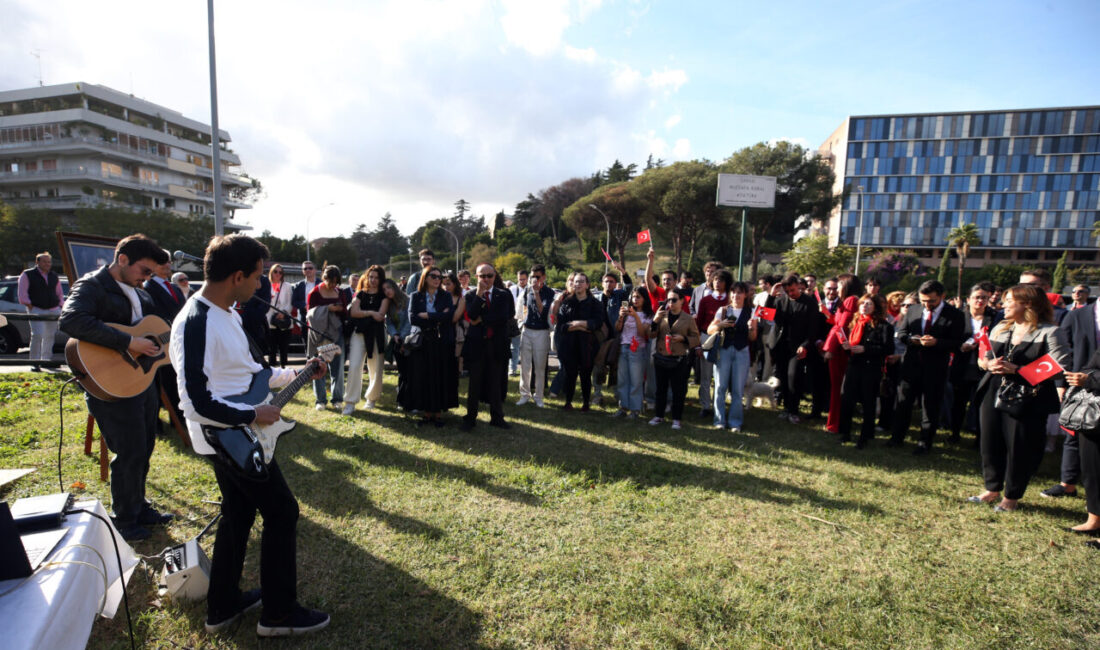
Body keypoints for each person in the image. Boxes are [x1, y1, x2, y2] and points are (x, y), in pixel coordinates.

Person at [170, 233, 330, 636]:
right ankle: (278, 615)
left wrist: (300, 372)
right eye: (258, 276)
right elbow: (194, 401)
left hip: (238, 430)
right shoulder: (196, 321)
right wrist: (252, 413)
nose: (262, 284)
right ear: (237, 275)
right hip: (227, 438)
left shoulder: (228, 312)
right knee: (282, 511)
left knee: (239, 513)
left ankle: (221, 607)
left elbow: (252, 374)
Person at [59, 235, 172, 541]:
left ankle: (139, 506)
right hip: (110, 382)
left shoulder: (141, 291)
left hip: (141, 380)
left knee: (145, 444)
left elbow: (155, 329)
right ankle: (124, 517)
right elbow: (71, 320)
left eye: (151, 273)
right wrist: (129, 341)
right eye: (144, 270)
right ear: (122, 259)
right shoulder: (92, 285)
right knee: (130, 450)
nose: (147, 278)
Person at [969, 284, 1070, 512]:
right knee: (990, 442)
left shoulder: (1050, 332)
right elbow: (982, 359)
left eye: (1009, 300)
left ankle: (1011, 497)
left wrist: (1017, 369)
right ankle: (991, 488)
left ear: (1028, 304)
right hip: (993, 390)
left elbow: (1059, 367)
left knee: (1019, 447)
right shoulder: (1000, 328)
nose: (1003, 304)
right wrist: (988, 364)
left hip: (1027, 397)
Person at [887, 280, 964, 454]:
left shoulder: (955, 315)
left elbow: (957, 343)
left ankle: (925, 442)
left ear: (942, 297)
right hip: (911, 364)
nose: (927, 305)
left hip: (935, 368)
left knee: (930, 406)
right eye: (923, 301)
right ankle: (897, 437)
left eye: (931, 301)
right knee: (903, 403)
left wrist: (937, 342)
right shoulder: (913, 310)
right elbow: (901, 333)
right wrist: (911, 339)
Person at [460, 264, 515, 430]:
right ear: (476, 277)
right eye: (482, 276)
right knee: (474, 383)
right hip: (477, 344)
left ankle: (497, 417)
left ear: (494, 276)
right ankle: (470, 418)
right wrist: (479, 296)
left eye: (489, 276)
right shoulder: (470, 295)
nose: (486, 279)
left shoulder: (504, 295)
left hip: (497, 344)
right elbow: (471, 315)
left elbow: (505, 316)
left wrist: (482, 320)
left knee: (495, 382)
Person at [836, 295, 894, 448]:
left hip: (871, 368)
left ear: (875, 307)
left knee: (868, 403)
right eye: (862, 304)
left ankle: (865, 436)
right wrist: (847, 348)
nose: (864, 306)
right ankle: (845, 433)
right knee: (847, 399)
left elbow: (888, 348)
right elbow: (852, 344)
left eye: (868, 304)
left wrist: (866, 349)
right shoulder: (855, 323)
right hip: (854, 365)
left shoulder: (884, 326)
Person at [405, 266, 458, 425]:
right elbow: (413, 319)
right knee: (425, 376)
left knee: (441, 375)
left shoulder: (446, 295)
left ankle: (439, 412)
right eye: (433, 276)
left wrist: (428, 315)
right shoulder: (416, 296)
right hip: (424, 341)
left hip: (442, 340)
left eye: (439, 277)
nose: (437, 279)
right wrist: (438, 316)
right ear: (425, 278)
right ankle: (427, 412)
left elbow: (449, 316)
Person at [765, 274, 821, 424]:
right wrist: (771, 297)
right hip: (781, 345)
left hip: (798, 347)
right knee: (783, 377)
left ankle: (794, 410)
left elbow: (813, 328)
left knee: (793, 376)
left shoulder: (809, 303)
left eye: (793, 290)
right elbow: (766, 316)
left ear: (799, 286)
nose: (791, 293)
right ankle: (786, 408)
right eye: (788, 290)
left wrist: (805, 345)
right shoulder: (780, 300)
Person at [948, 283, 999, 443]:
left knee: (981, 403)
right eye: (977, 297)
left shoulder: (995, 317)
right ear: (968, 299)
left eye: (984, 297)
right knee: (959, 402)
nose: (980, 301)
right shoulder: (958, 316)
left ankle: (979, 437)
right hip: (962, 364)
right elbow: (949, 338)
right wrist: (959, 346)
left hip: (984, 365)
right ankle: (954, 433)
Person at [144, 250, 186, 427]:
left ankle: (179, 418)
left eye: (169, 262)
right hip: (163, 341)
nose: (167, 266)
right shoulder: (147, 288)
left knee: (178, 380)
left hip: (178, 340)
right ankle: (173, 419)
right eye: (163, 263)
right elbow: (154, 315)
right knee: (166, 382)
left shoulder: (175, 287)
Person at [708, 281, 757, 432]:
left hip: (742, 351)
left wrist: (751, 327)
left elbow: (753, 337)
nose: (736, 295)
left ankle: (735, 422)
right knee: (720, 386)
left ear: (745, 294)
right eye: (733, 292)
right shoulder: (723, 310)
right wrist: (721, 325)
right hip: (723, 350)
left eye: (739, 292)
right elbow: (710, 329)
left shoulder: (752, 311)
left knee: (737, 389)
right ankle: (719, 420)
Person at [649, 289, 700, 429]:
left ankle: (677, 418)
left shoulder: (688, 319)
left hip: (679, 359)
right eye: (668, 300)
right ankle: (659, 415)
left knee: (678, 390)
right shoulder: (662, 316)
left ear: (682, 301)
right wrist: (655, 320)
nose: (670, 303)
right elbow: (651, 334)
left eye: (674, 300)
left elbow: (696, 338)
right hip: (661, 357)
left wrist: (683, 338)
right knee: (660, 389)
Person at [1063, 354, 1100, 540]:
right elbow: (1090, 365)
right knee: (1091, 467)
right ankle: (1094, 520)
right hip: (1094, 416)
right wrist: (1082, 377)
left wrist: (1091, 379)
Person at [821, 274, 864, 434]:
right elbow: (838, 322)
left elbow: (842, 327)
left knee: (838, 388)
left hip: (840, 351)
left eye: (838, 285)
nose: (836, 289)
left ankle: (835, 424)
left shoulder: (851, 300)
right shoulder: (847, 301)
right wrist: (827, 314)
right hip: (840, 348)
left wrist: (830, 349)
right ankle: (835, 422)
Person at [344, 266, 389, 415]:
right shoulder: (361, 293)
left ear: (380, 279)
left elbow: (380, 315)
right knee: (355, 366)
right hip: (359, 334)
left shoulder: (384, 296)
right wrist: (370, 312)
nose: (373, 280)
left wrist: (365, 314)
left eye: (376, 277)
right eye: (371, 277)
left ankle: (371, 398)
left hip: (377, 334)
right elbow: (353, 312)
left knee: (376, 368)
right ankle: (350, 401)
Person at [556, 272, 603, 411]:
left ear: (587, 285)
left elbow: (597, 323)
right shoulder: (566, 303)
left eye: (581, 281)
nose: (578, 284)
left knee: (585, 374)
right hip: (569, 344)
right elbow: (562, 326)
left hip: (587, 345)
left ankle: (586, 403)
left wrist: (577, 323)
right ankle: (568, 401)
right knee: (570, 374)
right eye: (576, 282)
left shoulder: (595, 304)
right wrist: (581, 326)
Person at [307, 266, 348, 409]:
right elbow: (310, 315)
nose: (333, 285)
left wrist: (340, 309)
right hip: (321, 336)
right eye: (331, 282)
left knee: (338, 368)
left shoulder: (340, 292)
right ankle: (320, 400)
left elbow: (345, 313)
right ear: (325, 278)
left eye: (336, 283)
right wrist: (328, 309)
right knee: (318, 367)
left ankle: (337, 399)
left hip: (337, 334)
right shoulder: (315, 293)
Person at [516, 265, 555, 408]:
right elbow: (521, 310)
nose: (534, 280)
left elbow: (543, 311)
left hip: (541, 332)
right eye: (532, 277)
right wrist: (521, 324)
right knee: (525, 365)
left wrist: (537, 293)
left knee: (539, 366)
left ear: (544, 277)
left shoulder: (549, 292)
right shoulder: (526, 291)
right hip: (527, 331)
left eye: (537, 277)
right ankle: (524, 394)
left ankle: (539, 396)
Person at [696, 270, 733, 419]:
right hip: (707, 337)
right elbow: (698, 324)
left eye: (722, 280)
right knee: (705, 375)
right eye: (716, 279)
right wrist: (698, 345)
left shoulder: (730, 301)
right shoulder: (705, 300)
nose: (718, 283)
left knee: (721, 375)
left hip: (724, 340)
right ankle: (705, 406)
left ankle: (719, 405)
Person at [611, 287, 653, 419]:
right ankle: (623, 407)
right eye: (633, 297)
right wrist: (621, 317)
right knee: (622, 379)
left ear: (644, 299)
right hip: (624, 346)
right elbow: (617, 328)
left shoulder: (648, 315)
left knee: (636, 380)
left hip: (638, 348)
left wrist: (635, 316)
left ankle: (635, 409)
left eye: (638, 297)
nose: (635, 300)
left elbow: (643, 333)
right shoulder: (626, 312)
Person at [18, 252, 63, 371]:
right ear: (37, 262)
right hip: (36, 308)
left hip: (53, 309)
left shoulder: (54, 275)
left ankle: (46, 360)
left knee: (50, 336)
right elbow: (22, 293)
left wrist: (60, 305)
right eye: (44, 261)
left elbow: (59, 292)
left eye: (49, 262)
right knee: (37, 335)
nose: (47, 264)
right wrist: (29, 305)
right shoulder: (28, 274)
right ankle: (35, 362)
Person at [381, 279, 411, 405]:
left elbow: (410, 321)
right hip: (397, 341)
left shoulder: (408, 299)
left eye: (389, 287)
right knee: (402, 372)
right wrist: (395, 335)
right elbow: (389, 322)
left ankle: (412, 400)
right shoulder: (390, 304)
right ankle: (402, 400)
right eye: (384, 289)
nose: (387, 291)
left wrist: (402, 336)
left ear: (395, 287)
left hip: (410, 340)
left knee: (411, 372)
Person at [266, 264, 293, 368]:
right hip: (270, 320)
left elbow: (290, 303)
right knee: (271, 348)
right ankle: (271, 370)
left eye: (280, 272)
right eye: (275, 271)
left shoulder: (287, 286)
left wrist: (283, 312)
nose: (278, 274)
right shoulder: (267, 285)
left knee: (283, 347)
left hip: (283, 320)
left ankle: (284, 369)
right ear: (271, 272)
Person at [444, 271, 469, 378]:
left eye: (448, 284)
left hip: (456, 330)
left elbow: (455, 318)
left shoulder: (461, 299)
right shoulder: (439, 298)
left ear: (455, 284)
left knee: (458, 354)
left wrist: (441, 315)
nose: (445, 287)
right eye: (443, 284)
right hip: (442, 331)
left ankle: (459, 372)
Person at [508, 270, 528, 376]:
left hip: (528, 321)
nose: (521, 281)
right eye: (519, 279)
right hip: (515, 320)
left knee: (526, 347)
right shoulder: (512, 289)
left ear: (527, 279)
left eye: (523, 279)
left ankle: (526, 369)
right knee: (514, 346)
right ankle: (512, 368)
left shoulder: (531, 290)